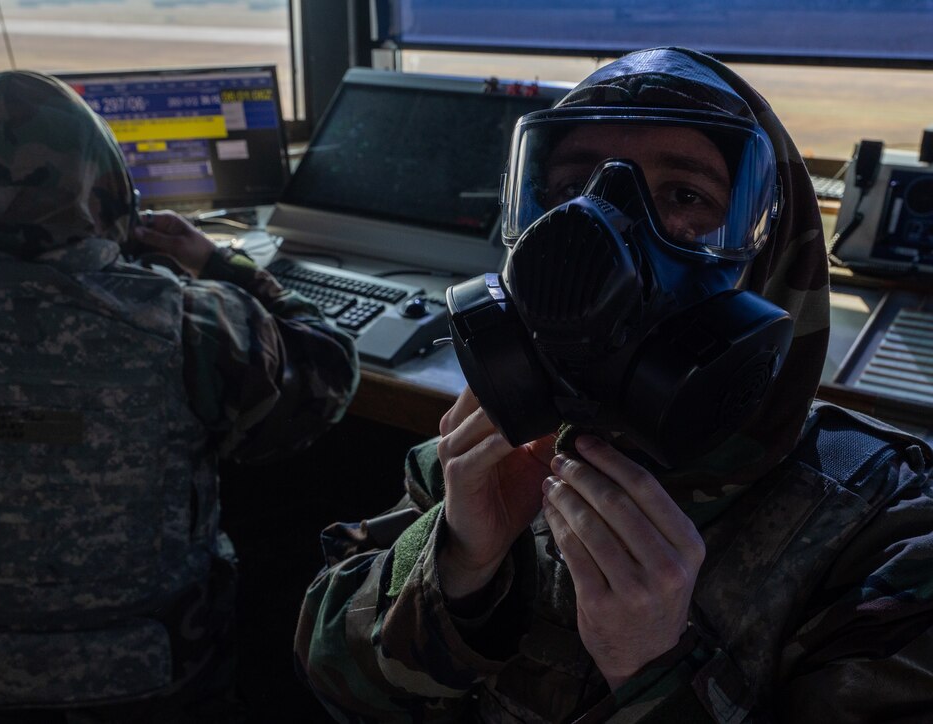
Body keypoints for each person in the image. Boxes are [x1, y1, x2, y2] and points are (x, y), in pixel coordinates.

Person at [295, 47, 933, 721]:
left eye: (685, 197)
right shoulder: (496, 447)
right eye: (573, 190)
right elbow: (333, 670)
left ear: (769, 254)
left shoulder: (879, 531)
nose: (601, 231)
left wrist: (652, 669)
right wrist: (457, 562)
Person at [0, 69, 359, 721]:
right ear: (111, 188)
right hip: (166, 665)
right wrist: (221, 264)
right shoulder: (193, 323)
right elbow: (328, 372)